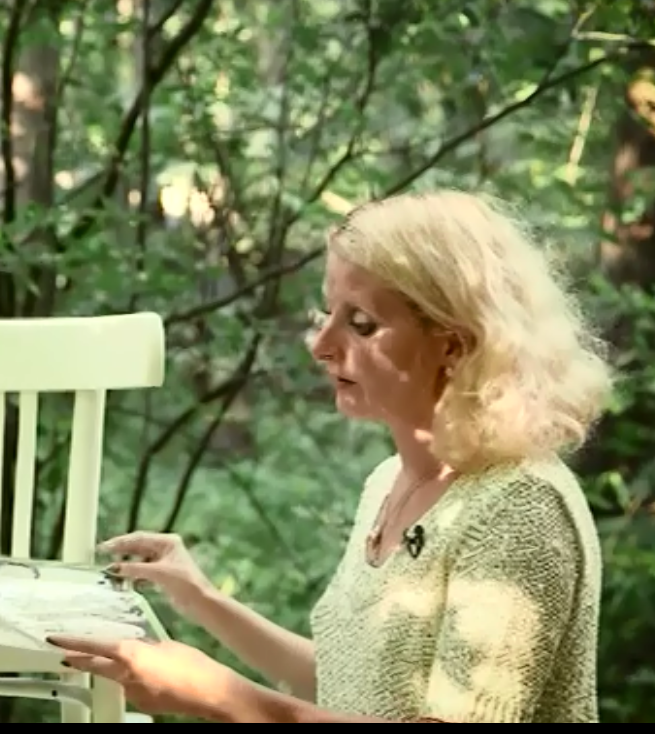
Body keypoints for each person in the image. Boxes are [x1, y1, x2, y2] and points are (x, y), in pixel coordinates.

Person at [51, 190, 611, 723]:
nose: (321, 346)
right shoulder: (389, 481)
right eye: (328, 314)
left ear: (454, 344)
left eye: (362, 324)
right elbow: (349, 686)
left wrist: (221, 698)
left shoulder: (520, 510)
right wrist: (202, 600)